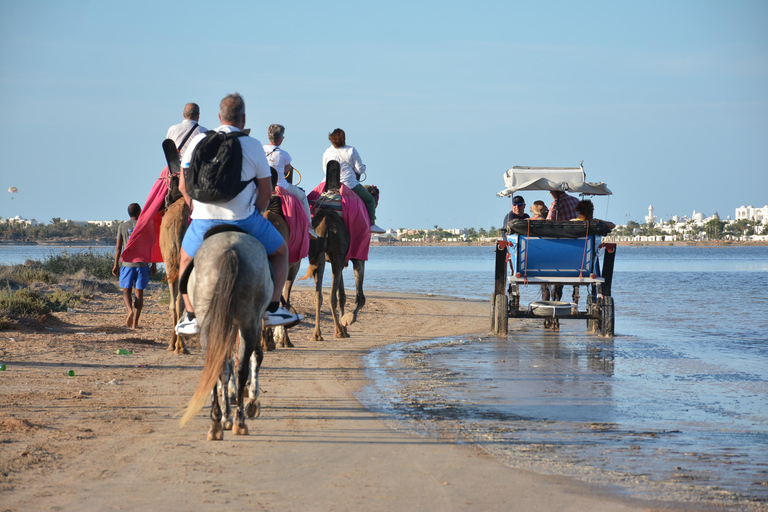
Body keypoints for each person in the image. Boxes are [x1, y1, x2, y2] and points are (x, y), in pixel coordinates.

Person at [174, 93, 302, 335]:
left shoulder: (198, 141)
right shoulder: (252, 145)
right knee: (282, 251)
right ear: (243, 119)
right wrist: (255, 213)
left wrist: (197, 210)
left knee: (184, 260)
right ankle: (274, 308)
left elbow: (182, 187)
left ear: (219, 117)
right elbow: (266, 191)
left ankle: (191, 315)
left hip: (202, 220)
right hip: (244, 220)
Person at [322, 128, 385, 234]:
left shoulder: (327, 151)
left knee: (313, 199)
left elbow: (325, 169)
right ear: (343, 138)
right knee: (370, 200)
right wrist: (363, 167)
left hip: (329, 184)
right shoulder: (351, 150)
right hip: (349, 184)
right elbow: (360, 170)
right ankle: (372, 224)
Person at [262, 124, 317, 239]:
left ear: (269, 137)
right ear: (280, 139)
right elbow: (287, 169)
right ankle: (309, 227)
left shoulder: (260, 150)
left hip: (262, 187)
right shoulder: (284, 154)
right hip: (281, 186)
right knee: (302, 196)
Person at [112, 203, 157, 329]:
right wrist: (154, 264)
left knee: (126, 290)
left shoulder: (122, 226)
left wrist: (116, 264)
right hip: (142, 264)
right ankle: (135, 324)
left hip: (127, 263)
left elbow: (118, 248)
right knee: (139, 293)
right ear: (139, 213)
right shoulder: (146, 225)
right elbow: (152, 245)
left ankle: (129, 311)